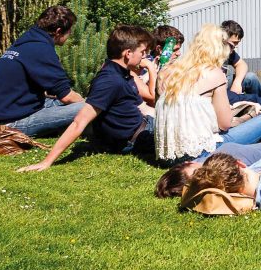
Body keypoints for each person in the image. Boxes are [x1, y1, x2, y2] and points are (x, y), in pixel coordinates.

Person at [16, 25, 158, 172]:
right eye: (142, 52)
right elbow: (79, 122)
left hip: (144, 125)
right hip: (135, 139)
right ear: (128, 53)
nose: (144, 56)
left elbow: (143, 107)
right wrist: (47, 161)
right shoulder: (110, 81)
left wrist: (165, 119)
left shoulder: (122, 73)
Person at [153, 24, 261, 165]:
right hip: (201, 152)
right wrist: (250, 114)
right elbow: (224, 124)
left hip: (166, 156)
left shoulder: (165, 73)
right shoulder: (214, 73)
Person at [0, 5, 83, 137]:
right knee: (88, 106)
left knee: (58, 102)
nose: (70, 34)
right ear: (58, 32)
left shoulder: (26, 40)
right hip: (5, 123)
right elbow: (67, 96)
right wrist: (87, 103)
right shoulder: (41, 49)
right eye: (69, 31)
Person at [221, 19, 261, 108]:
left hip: (227, 87)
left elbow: (241, 64)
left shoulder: (229, 51)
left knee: (251, 77)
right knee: (253, 99)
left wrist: (237, 82)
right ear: (224, 38)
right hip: (220, 92)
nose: (235, 46)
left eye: (237, 43)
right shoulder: (212, 52)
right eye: (233, 43)